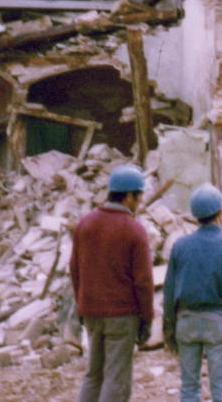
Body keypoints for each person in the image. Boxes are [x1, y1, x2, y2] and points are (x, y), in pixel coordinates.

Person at [163, 184, 222, 402]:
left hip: (186, 322)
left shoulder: (180, 246)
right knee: (221, 390)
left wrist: (168, 323)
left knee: (188, 388)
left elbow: (169, 290)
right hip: (219, 324)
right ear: (220, 213)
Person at [70, 165, 154, 402]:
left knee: (93, 375)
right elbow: (143, 282)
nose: (139, 202)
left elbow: (74, 269)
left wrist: (81, 304)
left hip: (91, 313)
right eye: (138, 196)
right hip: (121, 315)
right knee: (116, 379)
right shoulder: (135, 230)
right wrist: (146, 318)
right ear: (128, 196)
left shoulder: (85, 224)